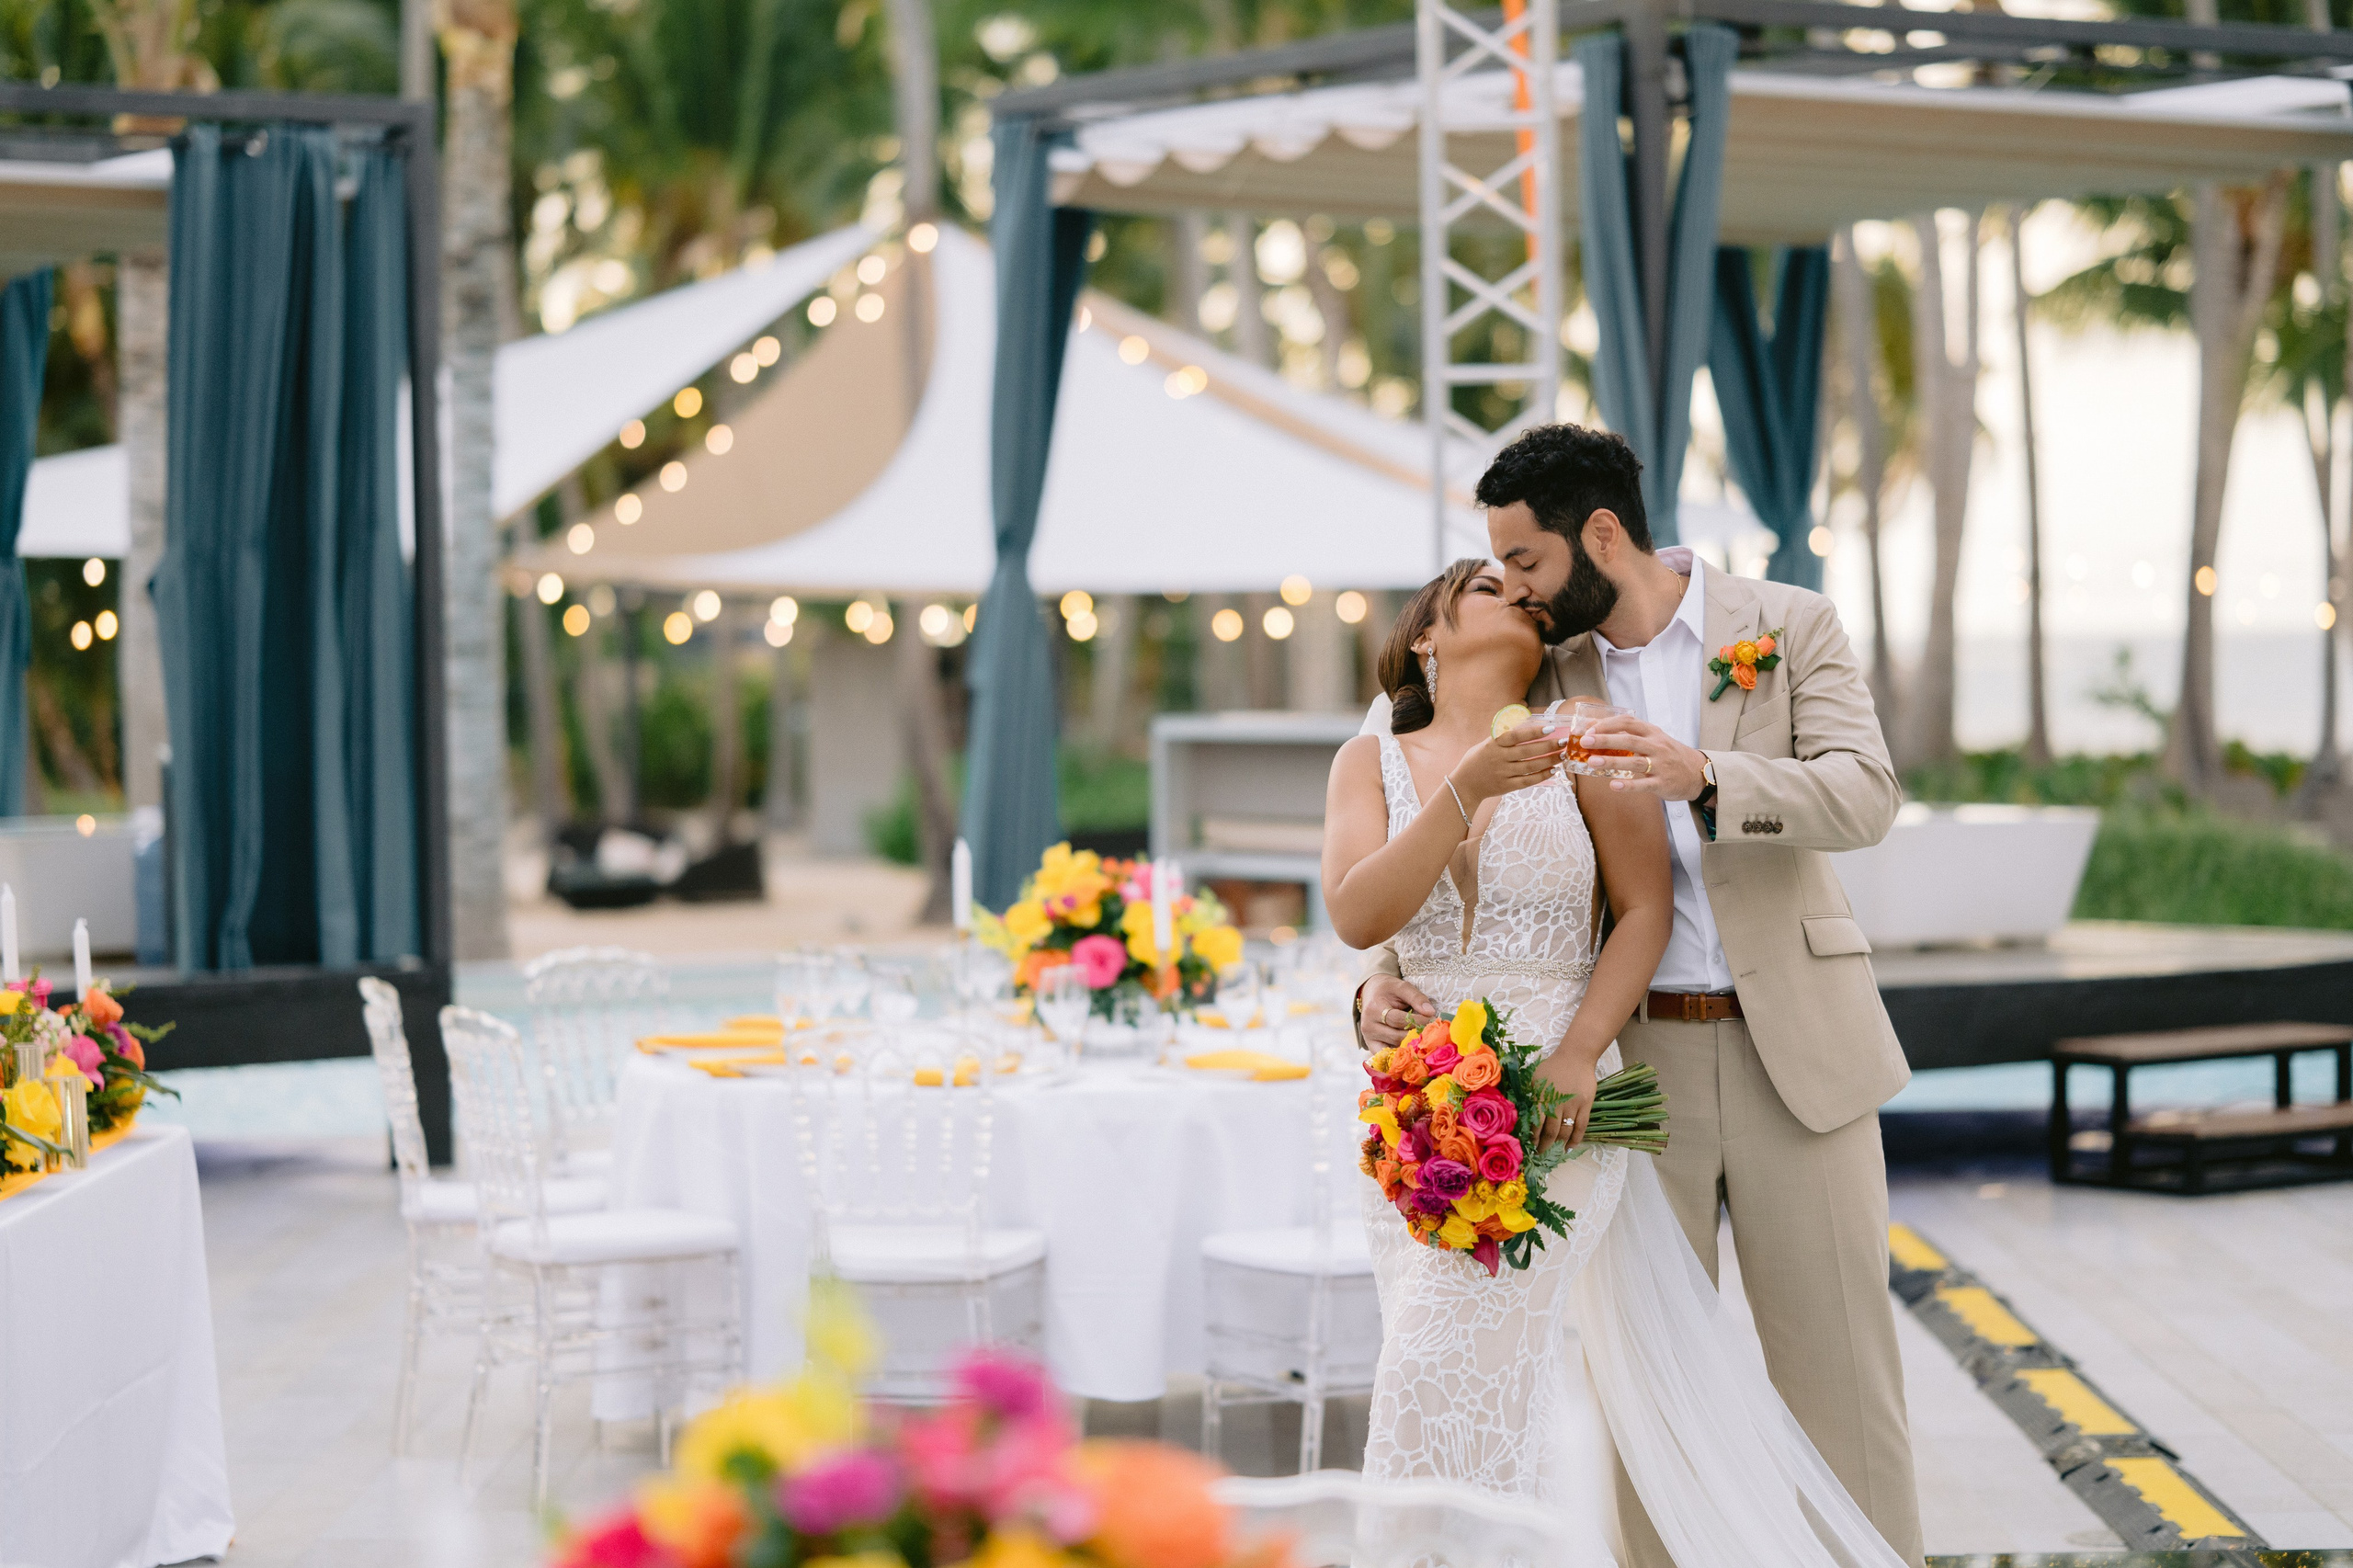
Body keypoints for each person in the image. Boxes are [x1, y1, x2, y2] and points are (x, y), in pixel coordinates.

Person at [1336, 423, 1922, 1568]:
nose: (1514, 588)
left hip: (1795, 1047)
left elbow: (1866, 795)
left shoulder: (1786, 623)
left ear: (1600, 532)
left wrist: (1703, 775)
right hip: (1625, 1069)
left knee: (1841, 1377)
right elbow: (1451, 827)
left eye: (1528, 562)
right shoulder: (1544, 673)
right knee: (1646, 1391)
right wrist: (1377, 979)